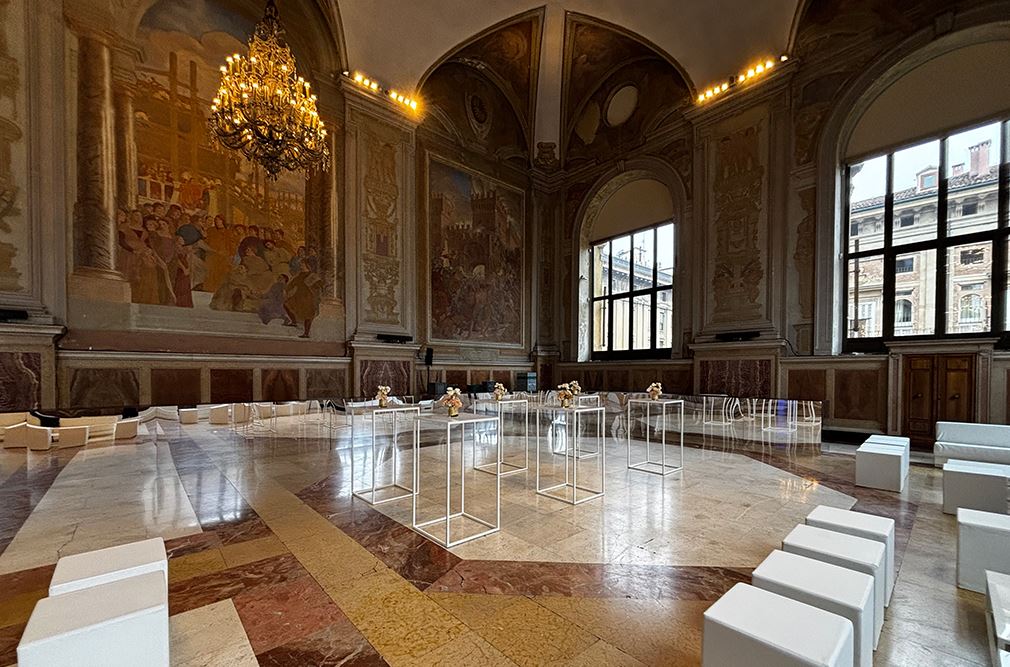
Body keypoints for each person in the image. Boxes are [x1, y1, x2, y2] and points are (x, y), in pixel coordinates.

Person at [283, 266, 322, 338]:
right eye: (301, 264)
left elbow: (319, 285)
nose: (301, 266)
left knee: (308, 314)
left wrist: (313, 285)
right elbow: (292, 283)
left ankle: (306, 333)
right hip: (298, 295)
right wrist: (287, 290)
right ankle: (294, 322)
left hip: (308, 296)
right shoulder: (299, 275)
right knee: (286, 305)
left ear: (307, 265)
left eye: (302, 264)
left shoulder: (312, 275)